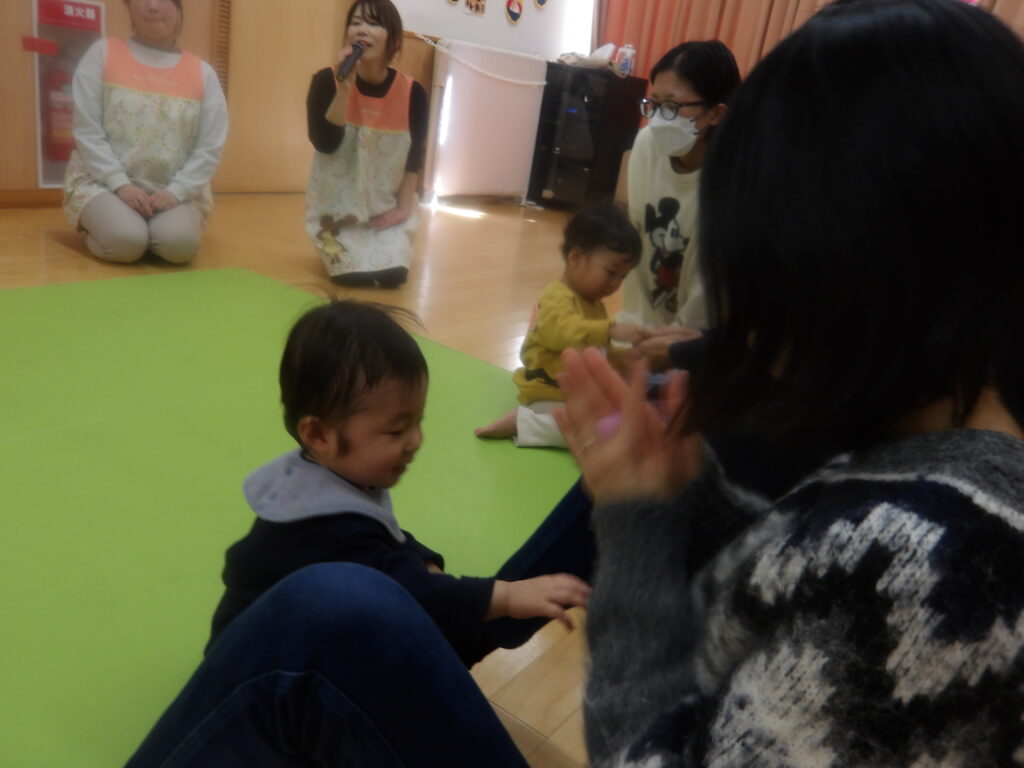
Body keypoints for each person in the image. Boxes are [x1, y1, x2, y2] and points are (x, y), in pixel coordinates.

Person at [124, 1, 1024, 765]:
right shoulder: (937, 459)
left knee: (331, 612)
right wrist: (669, 490)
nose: (746, 304)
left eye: (761, 268)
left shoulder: (937, 570)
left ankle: (451, 621)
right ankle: (462, 618)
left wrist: (639, 523)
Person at [552, 0, 1024, 765]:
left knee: (351, 619)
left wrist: (637, 521)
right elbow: (806, 573)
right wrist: (689, 496)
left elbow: (646, 753)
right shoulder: (943, 475)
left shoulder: (938, 566)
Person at [206, 300, 591, 668]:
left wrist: (421, 559)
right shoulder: (320, 527)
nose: (416, 441)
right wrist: (506, 595)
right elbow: (411, 596)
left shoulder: (327, 477)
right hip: (267, 677)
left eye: (417, 422)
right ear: (319, 434)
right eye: (396, 431)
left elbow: (378, 536)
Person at [63, 0, 228, 265]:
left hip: (175, 192)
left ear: (178, 8)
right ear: (129, 7)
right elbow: (87, 130)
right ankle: (118, 229)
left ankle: (146, 232)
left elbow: (210, 145)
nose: (152, 6)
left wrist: (176, 192)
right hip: (102, 183)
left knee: (179, 247)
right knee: (125, 242)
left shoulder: (203, 73)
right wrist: (120, 184)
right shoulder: (102, 54)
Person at [475, 203, 648, 447]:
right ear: (575, 258)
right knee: (591, 434)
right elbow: (564, 333)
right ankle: (523, 423)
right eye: (610, 272)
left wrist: (629, 359)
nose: (615, 284)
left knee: (627, 417)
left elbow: (597, 353)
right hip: (549, 394)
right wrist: (610, 330)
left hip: (577, 394)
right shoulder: (556, 297)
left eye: (622, 277)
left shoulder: (594, 305)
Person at [619, 41, 740, 368]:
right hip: (647, 330)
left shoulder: (733, 180)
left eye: (673, 106)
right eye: (655, 104)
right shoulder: (647, 144)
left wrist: (671, 352)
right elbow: (637, 241)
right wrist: (635, 331)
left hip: (697, 344)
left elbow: (708, 293)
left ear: (716, 113)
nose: (660, 119)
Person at [305, 0, 427, 287]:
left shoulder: (413, 93)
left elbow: (415, 154)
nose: (362, 30)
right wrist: (344, 90)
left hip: (384, 210)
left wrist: (404, 207)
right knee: (352, 278)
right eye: (356, 22)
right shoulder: (326, 81)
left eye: (373, 24)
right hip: (336, 214)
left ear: (393, 40)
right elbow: (325, 144)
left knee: (393, 276)